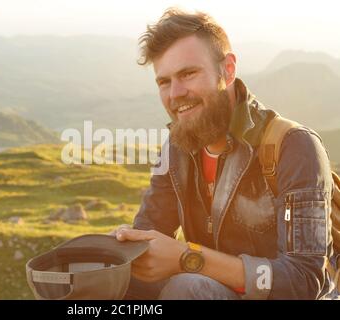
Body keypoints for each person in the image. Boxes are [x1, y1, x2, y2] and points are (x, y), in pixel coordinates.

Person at [112, 8, 337, 300]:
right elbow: (146, 244)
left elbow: (304, 281)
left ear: (228, 70)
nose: (175, 93)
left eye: (188, 73)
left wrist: (189, 257)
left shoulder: (295, 146)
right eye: (164, 82)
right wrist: (114, 253)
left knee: (187, 288)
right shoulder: (176, 148)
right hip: (209, 291)